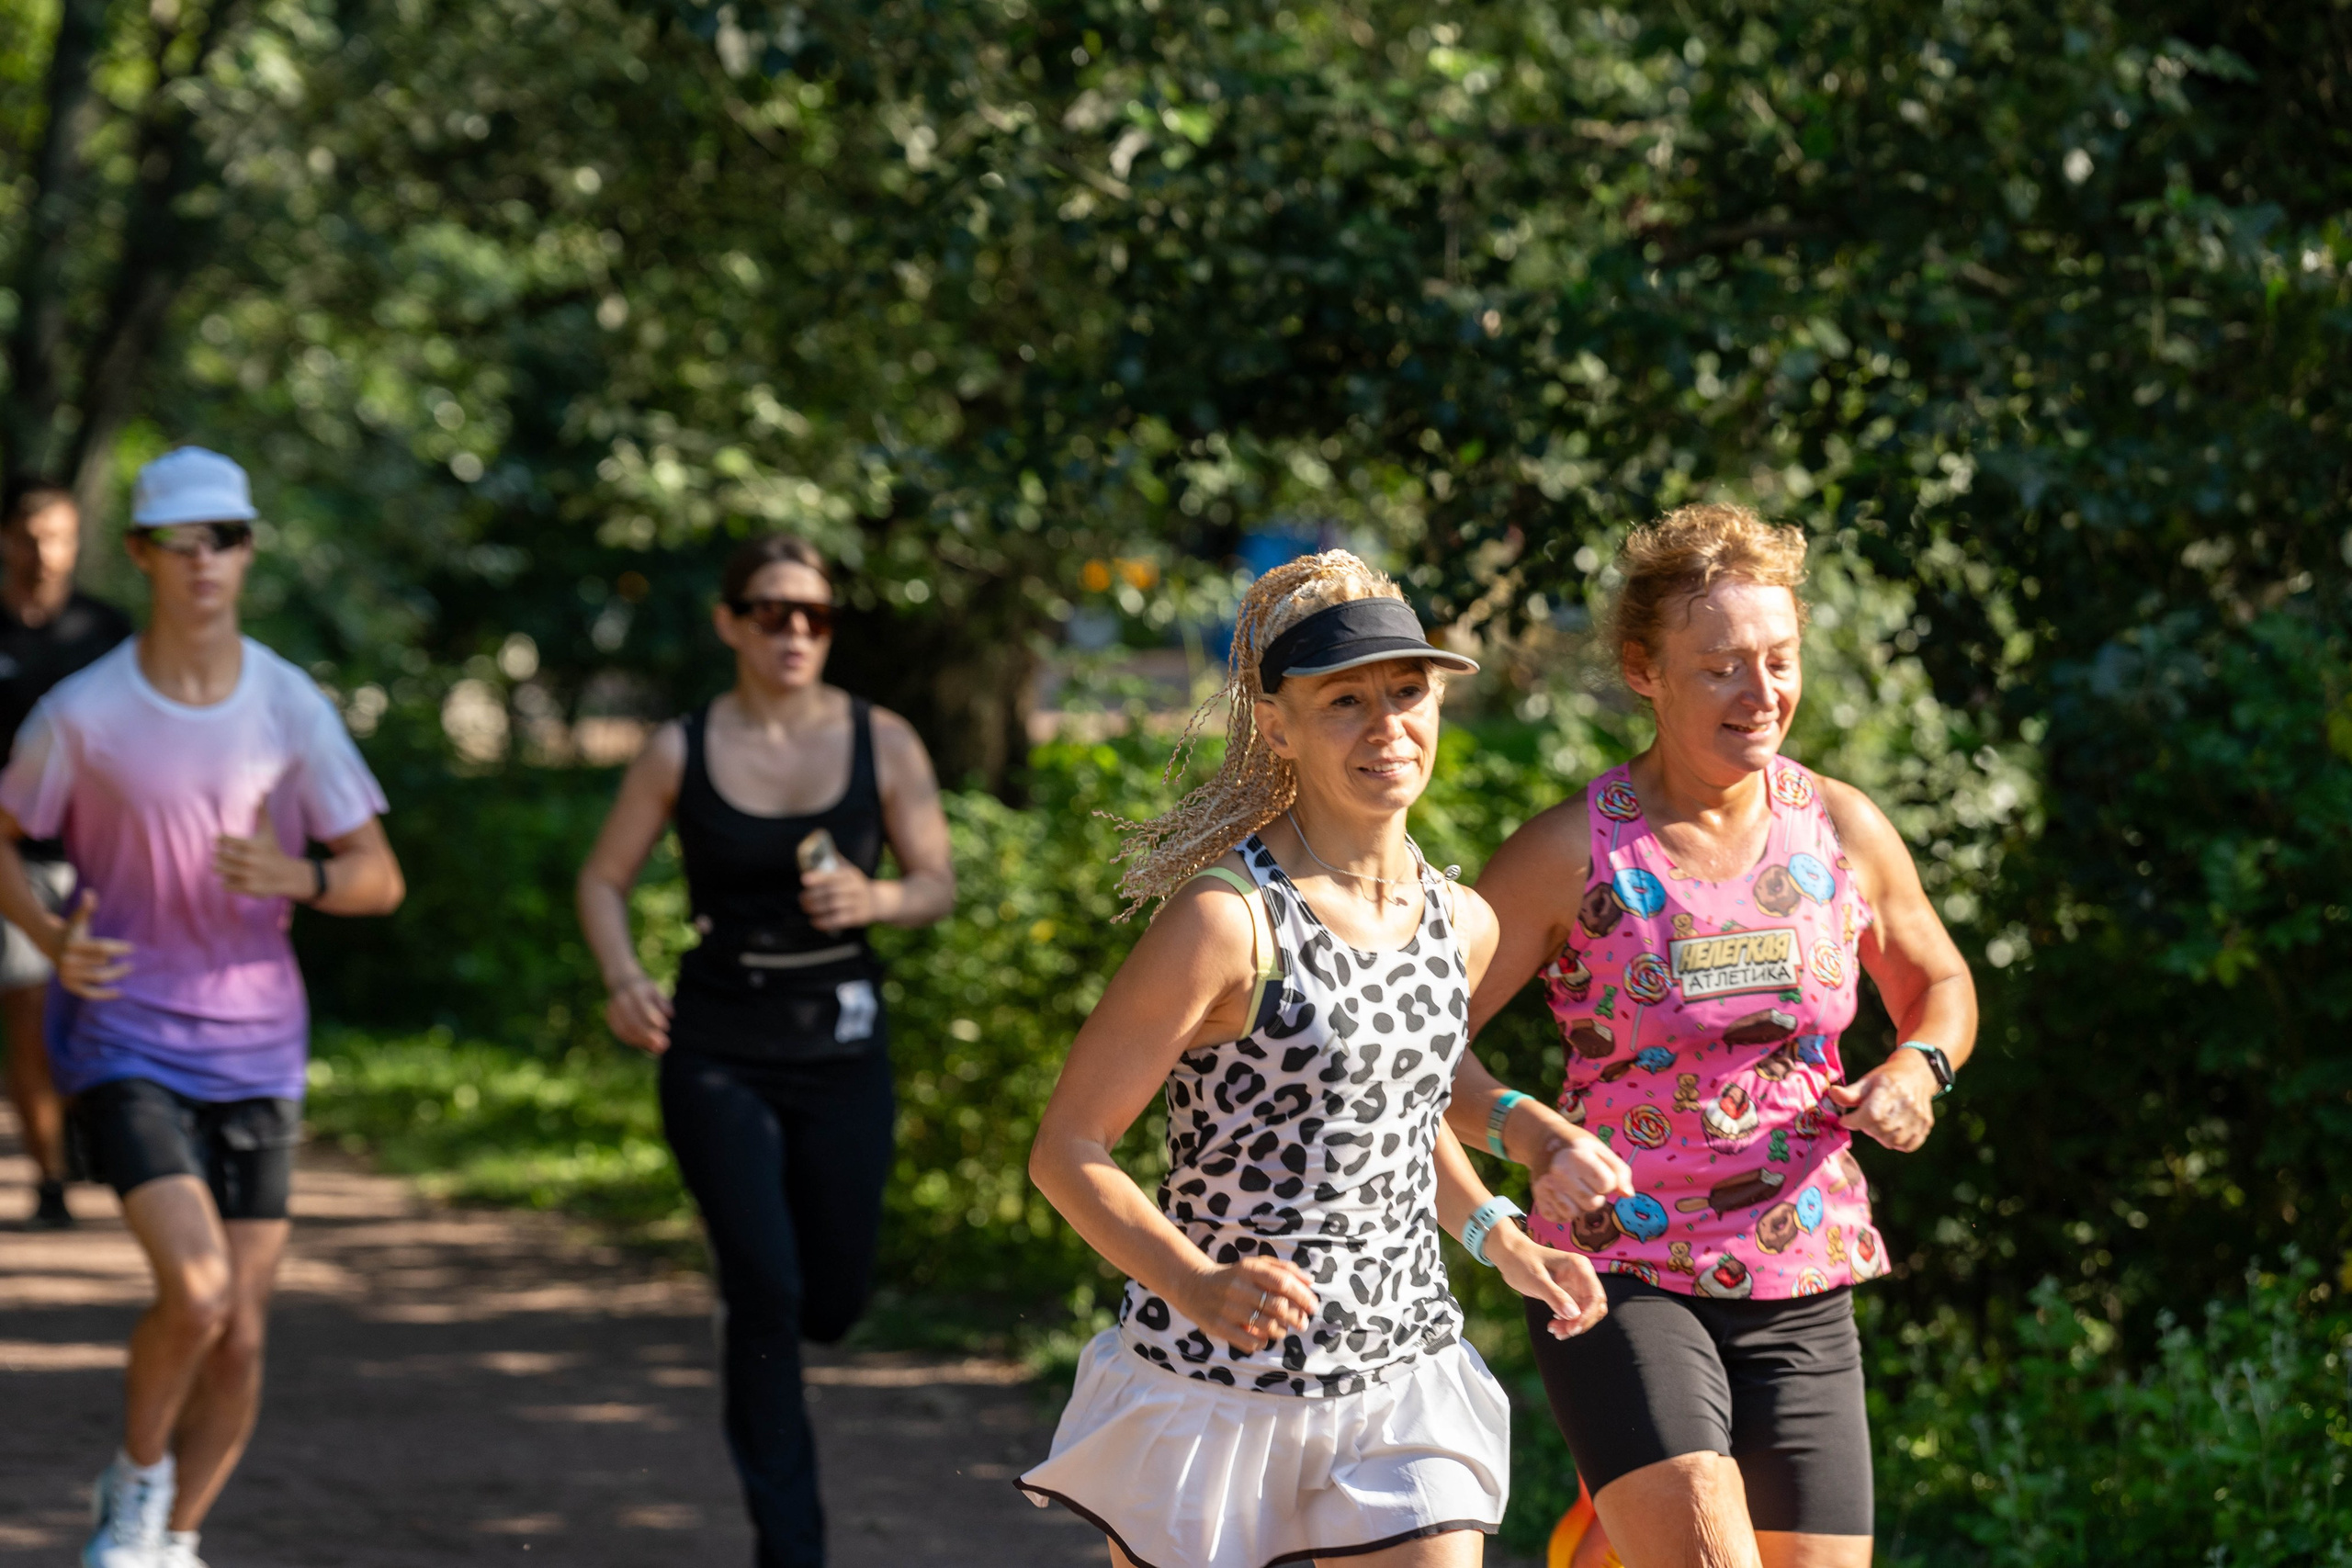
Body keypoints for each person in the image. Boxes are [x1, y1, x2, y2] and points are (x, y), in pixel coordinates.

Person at [1022, 550, 1611, 1568]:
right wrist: (1195, 1282)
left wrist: (1505, 1240)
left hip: (1398, 1383)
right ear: (1278, 726)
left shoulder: (1461, 922)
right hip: (1215, 1395)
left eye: (1407, 693)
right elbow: (1067, 1149)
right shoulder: (1222, 921)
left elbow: (1396, 1120)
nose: (1387, 727)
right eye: (1345, 701)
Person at [1449, 504, 1978, 1568]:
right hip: (1622, 1267)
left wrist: (1918, 1068)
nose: (1761, 693)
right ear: (1643, 671)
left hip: (1803, 1274)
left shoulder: (1839, 826)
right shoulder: (1570, 850)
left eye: (1778, 661)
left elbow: (1939, 981)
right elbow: (1415, 1045)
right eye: (1721, 667)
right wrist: (1525, 1133)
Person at [0, 446, 404, 1568]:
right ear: (140, 556)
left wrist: (305, 878)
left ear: (248, 551)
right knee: (199, 1288)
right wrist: (45, 936)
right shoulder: (82, 713)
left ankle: (173, 1541)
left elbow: (379, 874)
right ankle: (133, 1485)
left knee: (241, 1337)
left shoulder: (289, 705)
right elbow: (5, 839)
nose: (204, 561)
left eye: (224, 538)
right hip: (126, 1032)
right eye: (180, 542)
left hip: (261, 1044)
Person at [576, 534, 956, 1568]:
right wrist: (622, 977)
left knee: (829, 1301)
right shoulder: (679, 749)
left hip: (841, 1046)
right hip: (715, 1047)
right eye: (772, 611)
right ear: (730, 622)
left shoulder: (886, 742)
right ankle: (790, 1548)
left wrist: (875, 898)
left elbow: (936, 882)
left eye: (815, 615)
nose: (794, 631)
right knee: (765, 1291)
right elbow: (602, 880)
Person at [0, 479, 132, 1226]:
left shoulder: (106, 631)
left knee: (95, 1011)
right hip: (12, 857)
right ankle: (50, 1173)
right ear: (5, 540)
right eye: (29, 535)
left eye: (59, 535)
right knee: (27, 1009)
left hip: (96, 855)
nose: (44, 552)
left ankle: (91, 1135)